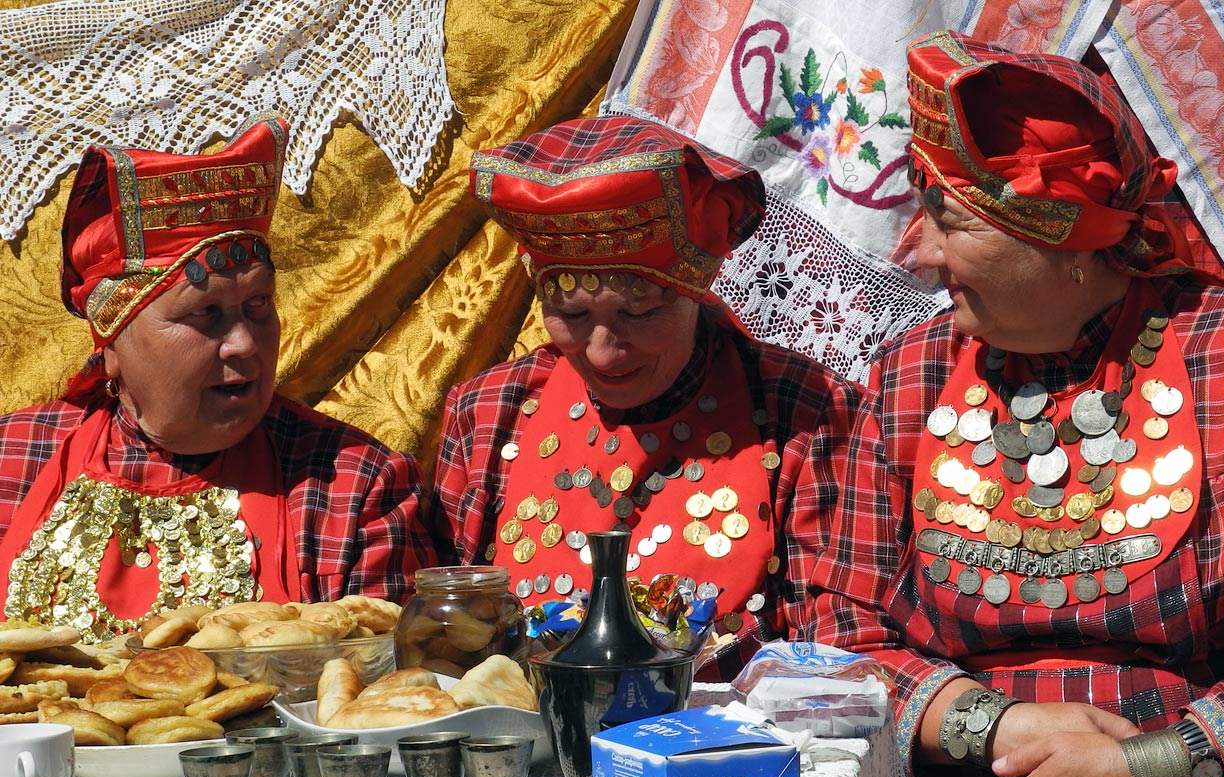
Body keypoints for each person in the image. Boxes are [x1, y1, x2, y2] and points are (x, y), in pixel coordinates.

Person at [808, 30, 1224, 777]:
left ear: (1062, 243)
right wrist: (994, 728)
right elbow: (841, 631)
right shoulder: (908, 378)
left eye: (950, 218)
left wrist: (1143, 772)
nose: (916, 253)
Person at [431, 114, 860, 680]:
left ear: (695, 289)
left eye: (640, 311)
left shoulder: (801, 412)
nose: (604, 353)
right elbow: (444, 644)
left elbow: (838, 652)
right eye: (573, 315)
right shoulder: (491, 413)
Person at [0, 116, 434, 643]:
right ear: (112, 342)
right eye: (205, 316)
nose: (245, 344)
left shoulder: (352, 485)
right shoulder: (13, 458)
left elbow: (384, 695)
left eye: (258, 306)